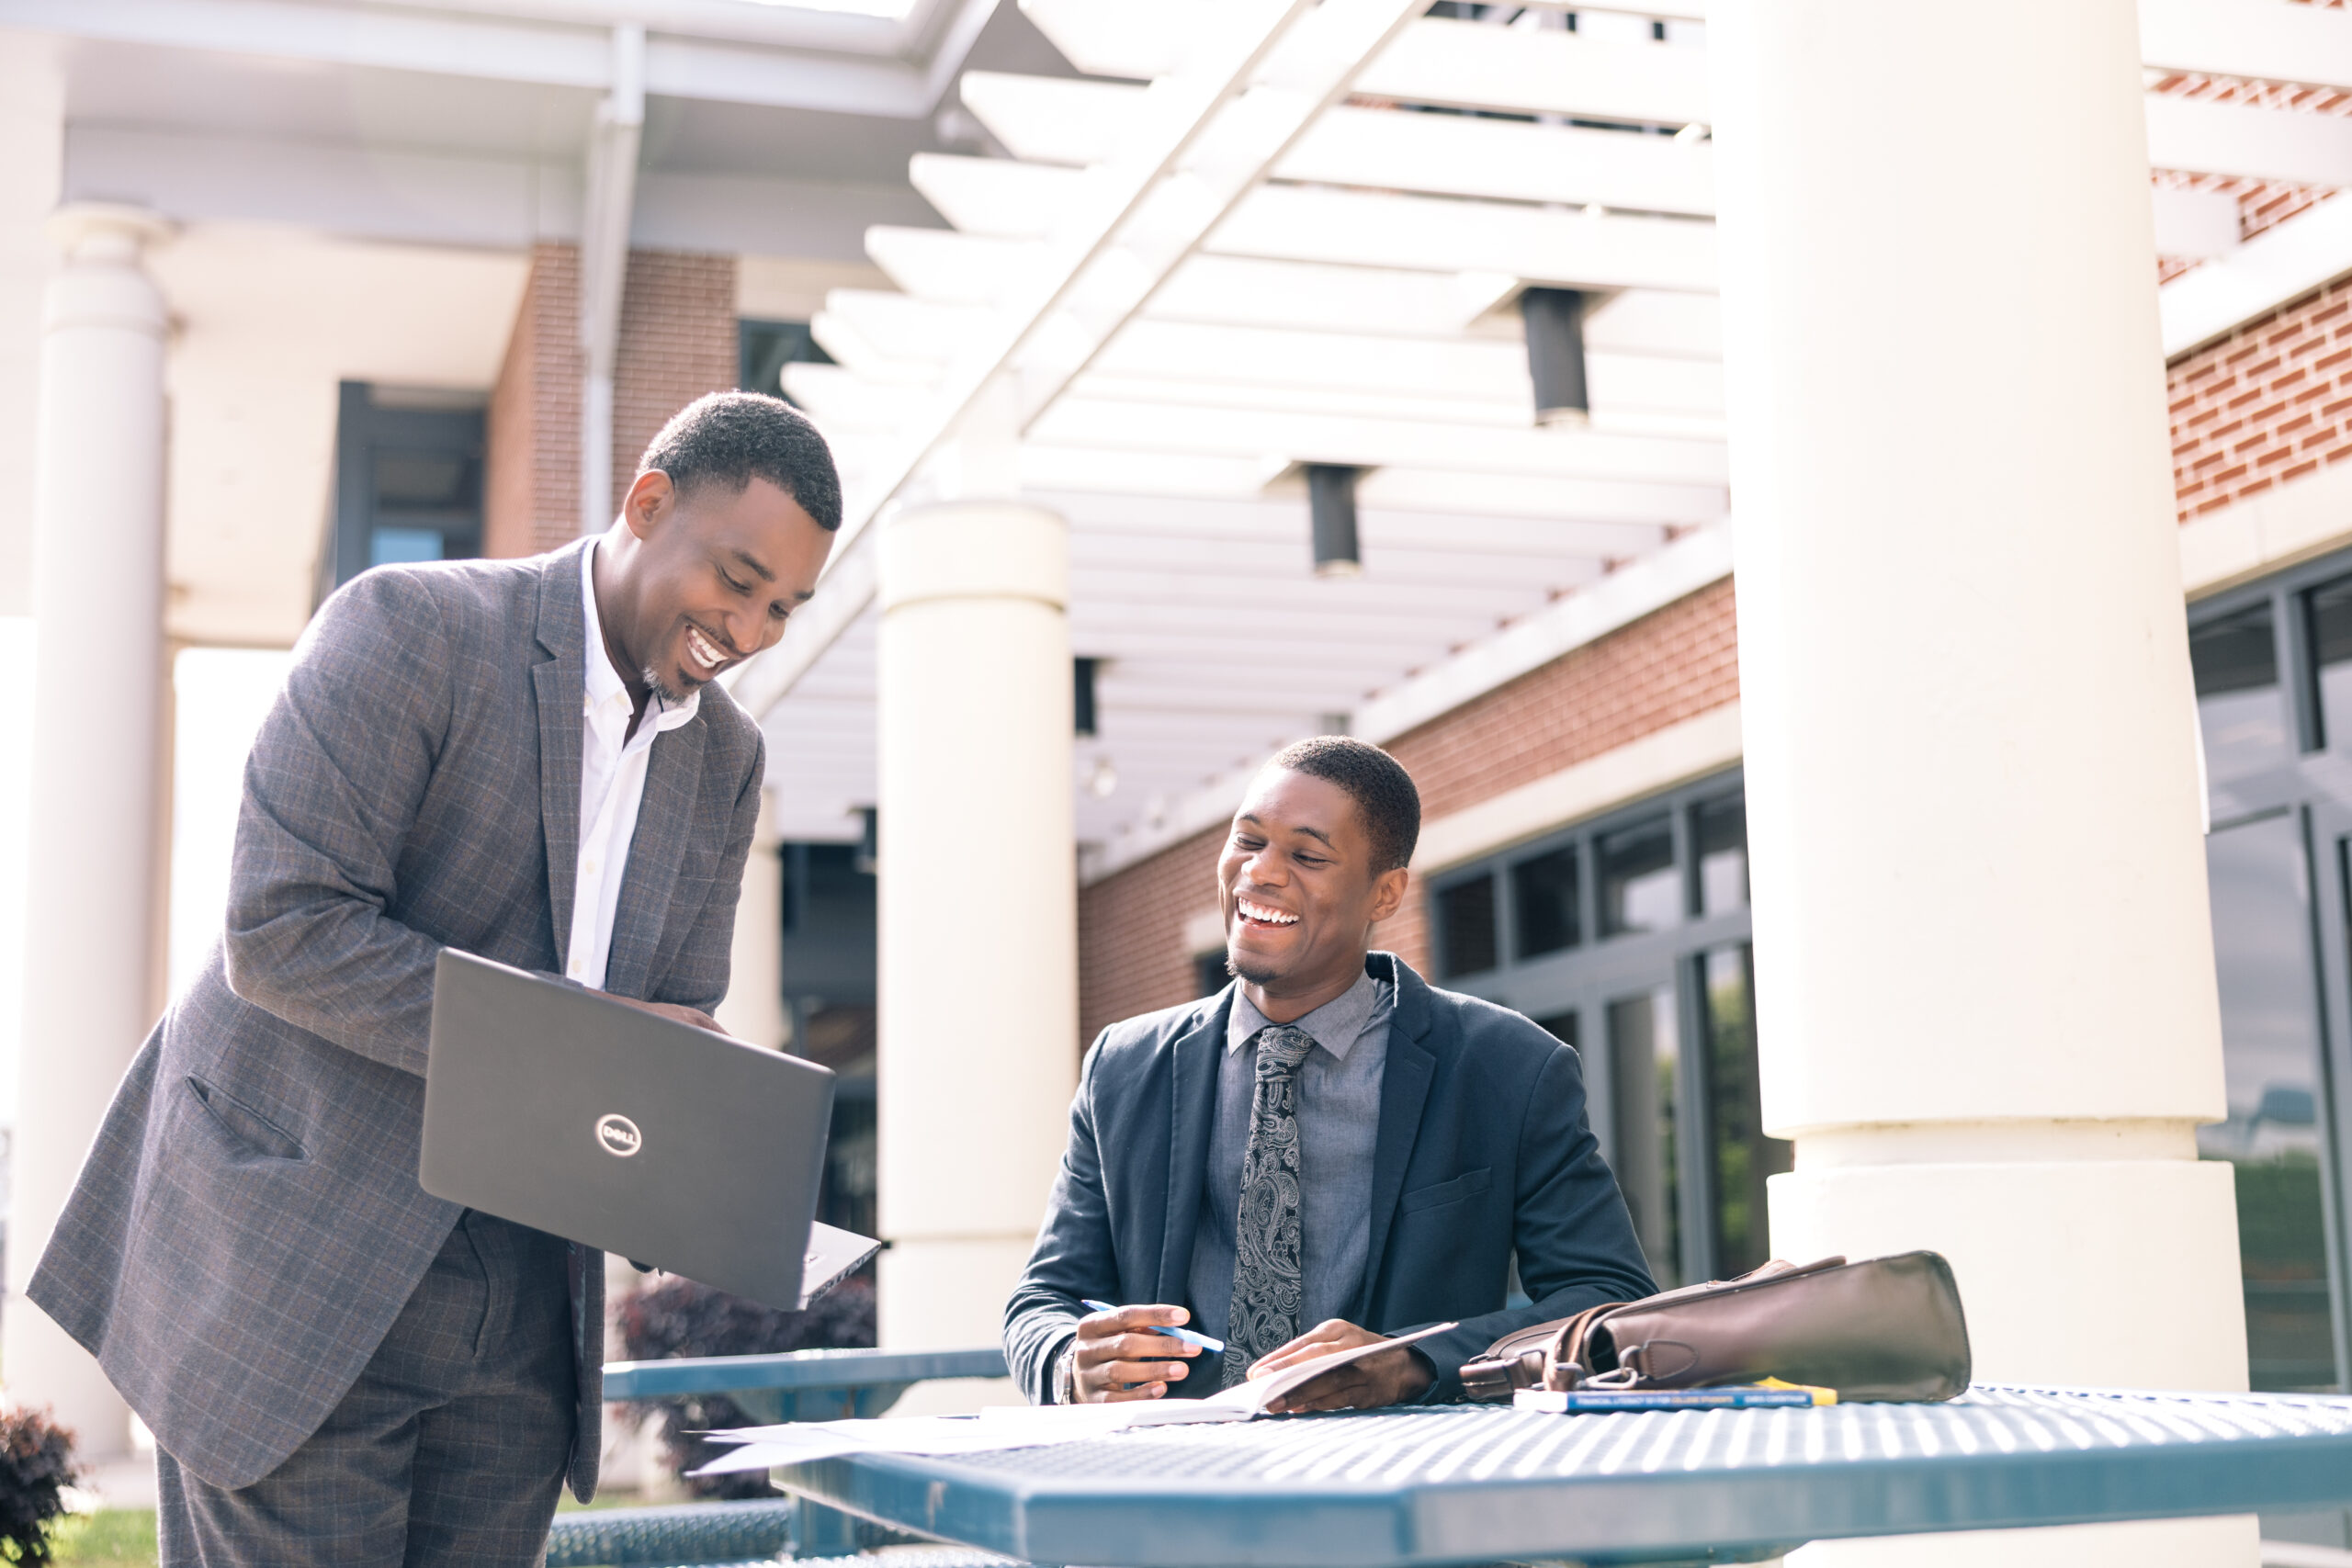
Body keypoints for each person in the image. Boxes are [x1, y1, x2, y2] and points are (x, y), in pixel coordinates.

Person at [28, 391, 840, 1565]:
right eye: (737, 578)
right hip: (300, 1258)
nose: (752, 629)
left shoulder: (727, 759)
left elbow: (669, 1024)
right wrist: (579, 1037)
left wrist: (710, 1166)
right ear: (648, 504)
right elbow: (283, 927)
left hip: (519, 1308)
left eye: (783, 608)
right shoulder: (408, 627)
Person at [1006, 737, 1656, 1410]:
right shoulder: (1124, 1064)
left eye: (1307, 855)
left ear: (1386, 892)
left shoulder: (1508, 1067)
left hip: (1395, 1480)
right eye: (1247, 840)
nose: (1260, 872)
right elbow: (1041, 1300)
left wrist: (1409, 1361)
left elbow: (1609, 1300)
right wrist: (1065, 1361)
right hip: (1172, 1478)